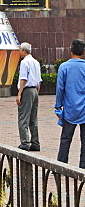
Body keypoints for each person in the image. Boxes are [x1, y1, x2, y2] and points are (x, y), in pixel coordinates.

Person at [55, 38, 85, 168]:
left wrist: (58, 105)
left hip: (69, 109)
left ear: (71, 50)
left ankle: (61, 166)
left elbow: (60, 88)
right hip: (84, 109)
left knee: (65, 139)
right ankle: (83, 167)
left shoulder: (64, 67)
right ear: (83, 52)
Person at [17, 41, 41, 151]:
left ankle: (25, 142)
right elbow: (39, 80)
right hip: (35, 90)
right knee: (33, 118)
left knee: (23, 118)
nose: (19, 53)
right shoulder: (36, 62)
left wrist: (19, 93)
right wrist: (37, 92)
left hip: (27, 90)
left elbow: (23, 79)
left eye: (20, 50)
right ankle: (35, 142)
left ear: (24, 51)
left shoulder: (24, 62)